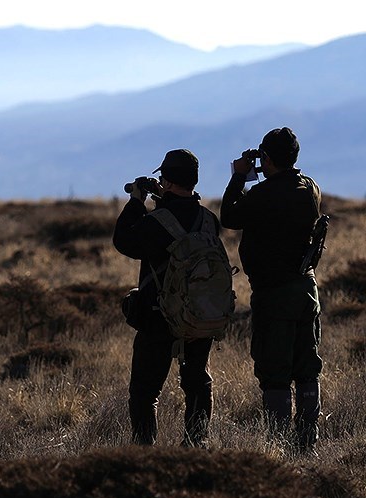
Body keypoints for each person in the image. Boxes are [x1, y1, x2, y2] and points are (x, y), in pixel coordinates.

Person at [220, 127, 323, 455]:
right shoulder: (310, 188)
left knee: (275, 369)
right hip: (306, 288)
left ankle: (278, 443)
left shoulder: (263, 195)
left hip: (274, 293)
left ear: (267, 158)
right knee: (307, 363)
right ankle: (308, 440)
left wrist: (239, 177)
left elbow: (229, 216)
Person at [113, 148, 219, 447]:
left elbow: (124, 241)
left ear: (168, 182)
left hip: (159, 318)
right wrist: (165, 198)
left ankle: (146, 451)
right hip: (200, 315)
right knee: (197, 382)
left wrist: (137, 201)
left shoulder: (157, 221)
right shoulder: (209, 220)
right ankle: (195, 445)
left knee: (145, 391)